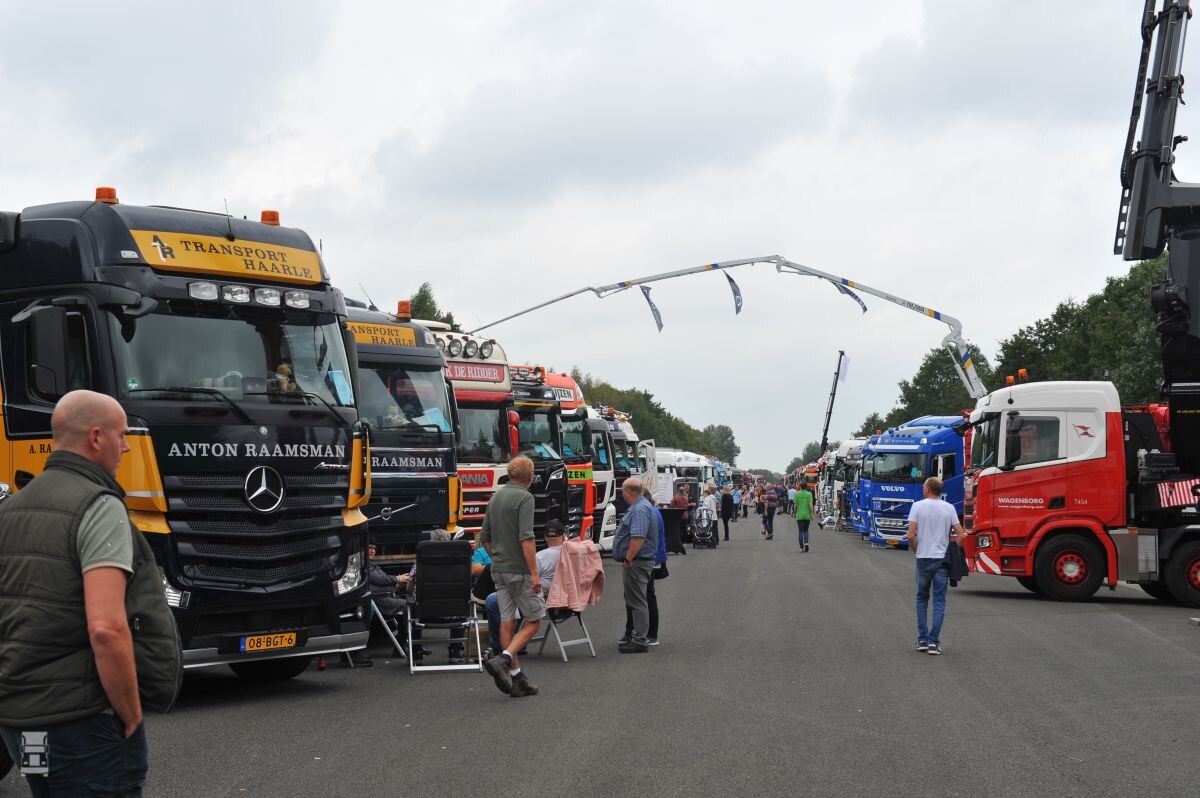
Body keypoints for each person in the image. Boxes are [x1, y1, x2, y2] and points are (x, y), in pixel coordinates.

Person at [0, 390, 181, 796]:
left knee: (45, 787)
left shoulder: (11, 510)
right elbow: (106, 628)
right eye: (121, 435)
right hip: (80, 722)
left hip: (22, 722)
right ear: (96, 438)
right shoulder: (98, 506)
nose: (126, 447)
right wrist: (130, 713)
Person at [479, 455, 544, 697]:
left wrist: (496, 557)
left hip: (499, 569)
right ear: (529, 476)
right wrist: (534, 573)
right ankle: (504, 659)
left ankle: (517, 678)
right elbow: (526, 537)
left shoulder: (495, 497)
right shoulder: (525, 498)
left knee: (507, 620)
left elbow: (485, 536)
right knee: (534, 619)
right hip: (519, 569)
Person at [484, 519, 568, 657]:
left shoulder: (539, 557)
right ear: (564, 536)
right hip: (570, 601)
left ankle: (502, 649)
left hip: (544, 599)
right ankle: (517, 644)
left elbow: (525, 581)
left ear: (545, 537)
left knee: (492, 601)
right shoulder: (574, 553)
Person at [905, 477, 965, 656]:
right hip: (942, 560)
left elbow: (910, 535)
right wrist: (954, 550)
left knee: (922, 599)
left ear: (927, 489)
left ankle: (922, 640)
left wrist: (917, 550)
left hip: (923, 558)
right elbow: (961, 534)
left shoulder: (917, 506)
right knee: (939, 601)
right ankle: (933, 642)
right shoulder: (949, 508)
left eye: (924, 486)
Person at [613, 477, 659, 652]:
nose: (622, 494)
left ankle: (639, 640)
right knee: (636, 599)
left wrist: (628, 558)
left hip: (637, 562)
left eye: (623, 490)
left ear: (628, 492)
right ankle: (637, 636)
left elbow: (638, 538)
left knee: (638, 601)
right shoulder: (641, 506)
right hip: (638, 561)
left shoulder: (640, 509)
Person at [622, 486, 666, 646]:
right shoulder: (653, 510)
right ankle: (637, 632)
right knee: (643, 596)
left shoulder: (646, 511)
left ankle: (645, 634)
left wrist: (628, 557)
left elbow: (640, 538)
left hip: (647, 559)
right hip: (652, 559)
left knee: (642, 597)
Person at [794, 485, 814, 552]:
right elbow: (810, 504)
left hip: (799, 515)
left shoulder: (797, 494)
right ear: (806, 487)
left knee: (800, 531)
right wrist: (812, 513)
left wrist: (794, 513)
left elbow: (795, 505)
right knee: (806, 530)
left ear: (800, 486)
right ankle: (806, 543)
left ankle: (801, 547)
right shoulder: (809, 494)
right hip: (807, 515)